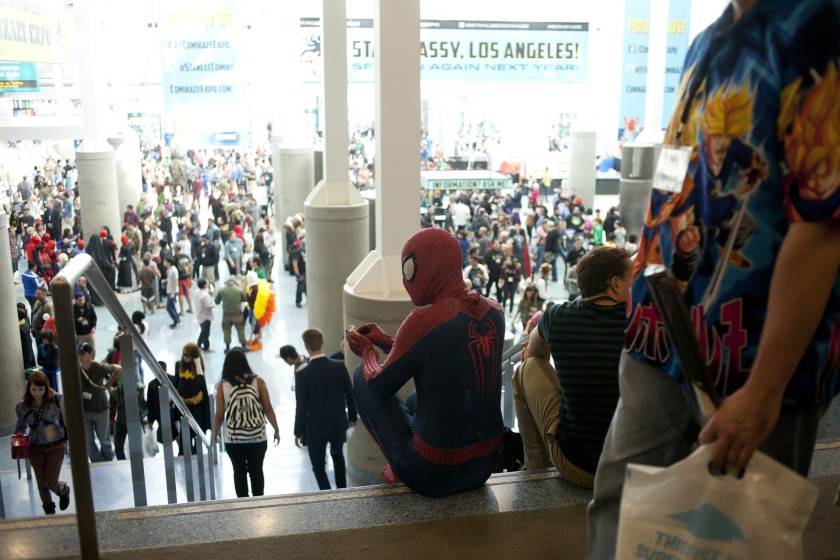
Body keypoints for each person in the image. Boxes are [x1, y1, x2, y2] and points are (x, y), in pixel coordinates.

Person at [587, 2, 840, 558]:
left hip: (753, 356)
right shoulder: (706, 41)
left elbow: (822, 227)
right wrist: (646, 259)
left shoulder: (819, 27)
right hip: (662, 330)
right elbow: (677, 170)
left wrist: (767, 389)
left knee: (740, 528)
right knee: (620, 505)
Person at [347, 228, 505, 496]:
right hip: (487, 463)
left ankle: (399, 465)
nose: (406, 278)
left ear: (428, 268)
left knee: (362, 376)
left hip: (433, 473)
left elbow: (377, 387)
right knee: (412, 402)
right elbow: (438, 353)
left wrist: (366, 351)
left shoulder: (421, 322)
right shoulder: (495, 311)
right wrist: (388, 341)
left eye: (409, 268)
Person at [514, 247, 630, 487]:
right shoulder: (643, 322)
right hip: (631, 470)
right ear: (616, 283)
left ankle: (534, 468)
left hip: (577, 467)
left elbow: (532, 356)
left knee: (525, 370)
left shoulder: (556, 316)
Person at [294, 328, 356, 490]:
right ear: (322, 343)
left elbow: (301, 407)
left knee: (318, 465)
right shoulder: (339, 367)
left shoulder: (302, 375)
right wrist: (352, 418)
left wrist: (298, 431)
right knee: (337, 455)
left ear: (306, 346)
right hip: (337, 422)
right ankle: (342, 491)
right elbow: (350, 394)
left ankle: (326, 494)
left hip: (315, 427)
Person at [213, 348, 280, 498]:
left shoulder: (222, 386)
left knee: (239, 471)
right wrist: (276, 429)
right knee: (257, 470)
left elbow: (219, 415)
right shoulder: (258, 381)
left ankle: (243, 504)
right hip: (258, 437)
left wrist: (216, 433)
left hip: (234, 439)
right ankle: (258, 502)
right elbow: (267, 408)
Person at [14, 371, 71, 515]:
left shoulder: (57, 399)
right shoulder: (22, 406)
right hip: (35, 448)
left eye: (41, 389)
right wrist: (19, 437)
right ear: (29, 388)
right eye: (34, 389)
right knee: (41, 484)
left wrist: (69, 440)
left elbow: (67, 422)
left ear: (46, 388)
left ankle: (62, 489)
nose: (37, 393)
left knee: (51, 482)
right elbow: (20, 427)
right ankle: (49, 512)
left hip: (56, 446)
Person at [78, 341, 120, 462]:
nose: (80, 356)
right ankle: (98, 463)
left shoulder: (98, 367)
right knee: (88, 440)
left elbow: (118, 368)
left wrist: (107, 384)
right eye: (79, 354)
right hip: (85, 410)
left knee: (104, 439)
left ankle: (107, 461)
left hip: (101, 409)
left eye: (82, 353)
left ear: (90, 354)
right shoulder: (76, 369)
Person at [174, 343, 211, 455]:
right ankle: (184, 451)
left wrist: (197, 363)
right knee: (185, 430)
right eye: (184, 355)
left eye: (188, 355)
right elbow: (176, 382)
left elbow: (201, 382)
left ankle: (196, 450)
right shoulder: (179, 365)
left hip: (196, 405)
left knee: (196, 430)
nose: (185, 357)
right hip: (183, 404)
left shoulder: (198, 366)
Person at [215, 276, 248, 353]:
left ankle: (227, 348)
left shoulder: (221, 290)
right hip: (238, 315)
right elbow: (245, 299)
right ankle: (244, 346)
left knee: (226, 330)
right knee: (240, 330)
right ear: (235, 282)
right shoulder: (239, 290)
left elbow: (217, 302)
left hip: (226, 316)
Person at [194, 278, 215, 353]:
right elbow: (207, 306)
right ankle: (206, 347)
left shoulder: (197, 291)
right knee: (206, 333)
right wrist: (212, 305)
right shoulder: (205, 296)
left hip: (199, 314)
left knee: (203, 330)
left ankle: (198, 344)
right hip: (205, 316)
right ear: (205, 285)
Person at [163, 256, 180, 329]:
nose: (164, 262)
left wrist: (173, 293)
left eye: (165, 261)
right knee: (172, 306)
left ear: (169, 263)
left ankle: (176, 320)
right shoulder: (169, 270)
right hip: (169, 290)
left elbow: (175, 281)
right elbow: (170, 279)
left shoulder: (174, 270)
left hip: (172, 291)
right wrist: (165, 280)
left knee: (168, 307)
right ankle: (177, 320)